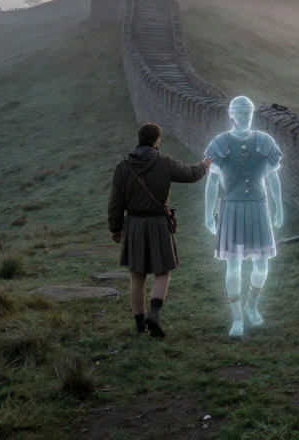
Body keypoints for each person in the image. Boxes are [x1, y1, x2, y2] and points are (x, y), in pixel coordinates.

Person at [108, 122, 211, 337]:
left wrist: (116, 228)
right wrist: (203, 166)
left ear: (139, 139)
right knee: (162, 272)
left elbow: (115, 201)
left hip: (134, 224)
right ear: (156, 141)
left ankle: (139, 326)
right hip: (157, 223)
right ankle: (153, 312)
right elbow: (189, 174)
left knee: (137, 277)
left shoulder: (123, 166)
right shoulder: (163, 162)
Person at [204, 95, 284, 337]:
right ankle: (237, 318)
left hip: (259, 206)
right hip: (232, 208)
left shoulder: (265, 141)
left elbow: (273, 178)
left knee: (261, 265)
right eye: (239, 114)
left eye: (247, 114)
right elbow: (212, 182)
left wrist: (279, 207)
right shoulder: (219, 143)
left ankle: (252, 304)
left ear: (252, 114)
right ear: (230, 115)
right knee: (233, 266)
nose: (243, 118)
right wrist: (208, 214)